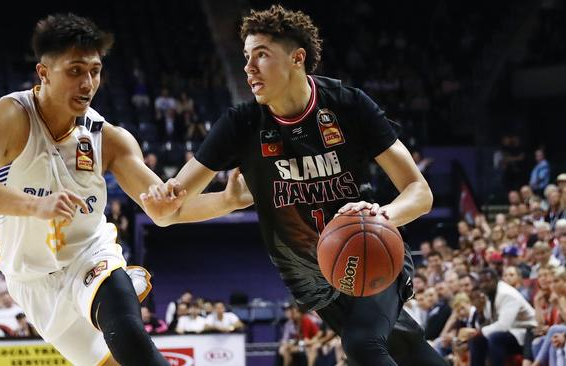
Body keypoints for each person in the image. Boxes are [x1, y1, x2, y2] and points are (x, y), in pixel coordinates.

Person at [144, 5, 445, 365]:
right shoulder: (240, 125)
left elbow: (419, 191)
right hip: (311, 278)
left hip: (367, 249)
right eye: (245, 57)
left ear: (297, 58)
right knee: (405, 347)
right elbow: (171, 208)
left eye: (261, 55)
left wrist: (381, 215)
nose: (249, 67)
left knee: (362, 343)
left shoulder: (349, 106)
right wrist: (214, 201)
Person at [0, 13, 243, 366]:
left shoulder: (108, 138)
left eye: (95, 71)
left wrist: (228, 200)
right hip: (31, 282)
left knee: (130, 336)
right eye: (74, 71)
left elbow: (164, 210)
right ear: (43, 73)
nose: (87, 83)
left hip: (90, 254)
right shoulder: (10, 118)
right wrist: (34, 206)